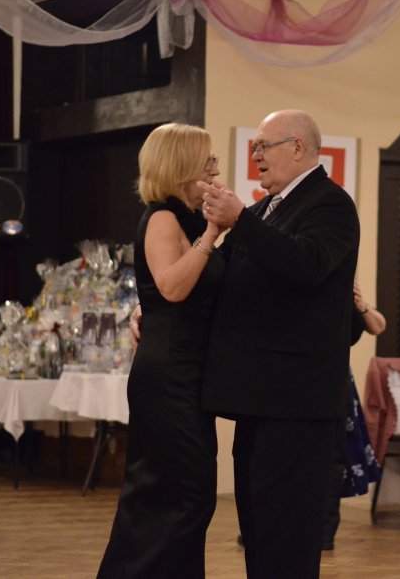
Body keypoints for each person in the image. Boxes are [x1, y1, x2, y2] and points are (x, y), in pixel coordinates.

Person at [199, 109, 359, 579]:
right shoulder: (262, 211)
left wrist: (240, 222)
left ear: (298, 148)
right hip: (257, 397)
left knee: (288, 536)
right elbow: (220, 280)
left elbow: (307, 264)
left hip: (297, 402)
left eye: (263, 146)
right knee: (258, 528)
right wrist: (155, 305)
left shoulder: (330, 204)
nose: (256, 156)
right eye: (254, 148)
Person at [98, 123, 225, 578]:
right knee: (176, 497)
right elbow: (171, 288)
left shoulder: (187, 220)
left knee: (186, 496)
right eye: (208, 162)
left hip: (185, 371)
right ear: (182, 167)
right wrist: (213, 234)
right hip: (169, 375)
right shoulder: (162, 219)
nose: (215, 170)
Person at [323, 281, 386, 550]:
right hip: (300, 382)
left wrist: (361, 304)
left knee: (332, 460)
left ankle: (325, 533)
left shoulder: (344, 291)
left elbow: (378, 326)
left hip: (335, 383)